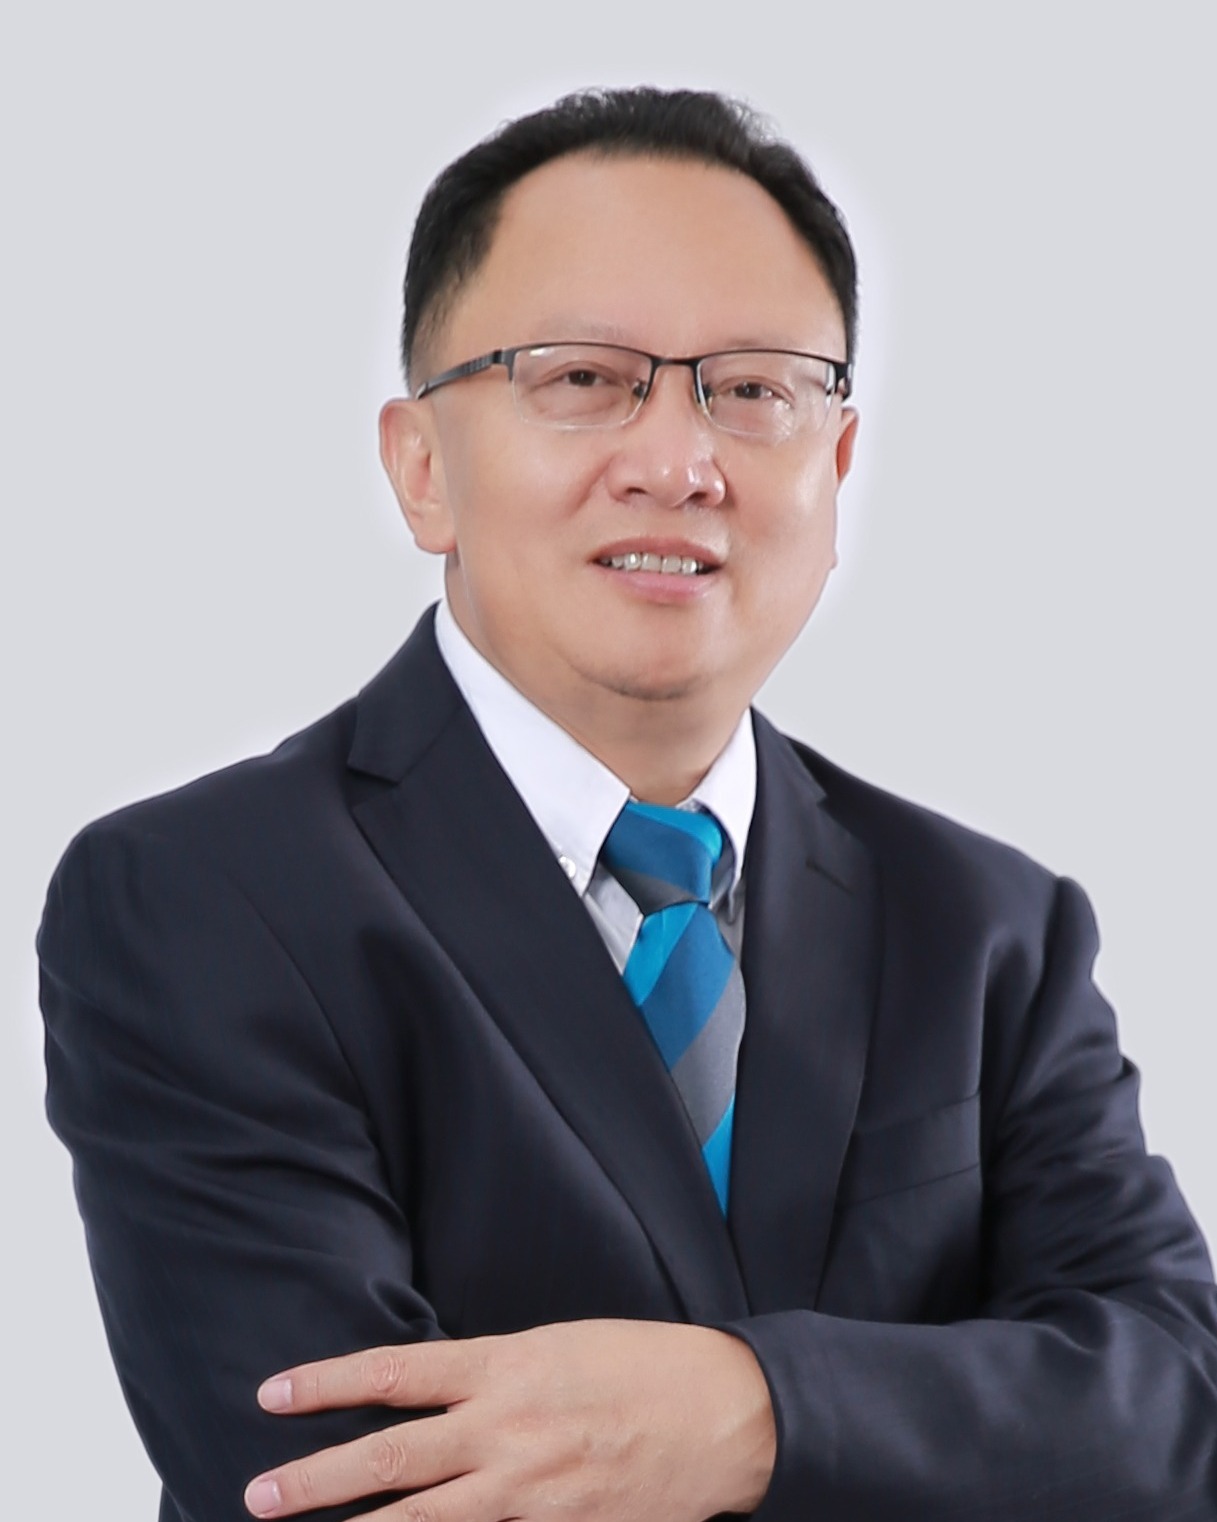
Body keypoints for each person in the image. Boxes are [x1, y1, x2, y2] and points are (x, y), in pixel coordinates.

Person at [38, 86, 1217, 1522]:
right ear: (422, 468)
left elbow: (1174, 1412)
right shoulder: (202, 898)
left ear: (836, 468)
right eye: (585, 378)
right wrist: (947, 1425)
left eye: (755, 390)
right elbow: (334, 1487)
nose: (677, 463)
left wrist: (753, 1413)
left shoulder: (989, 928)